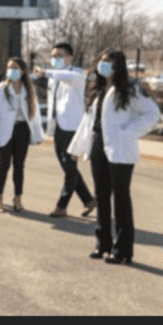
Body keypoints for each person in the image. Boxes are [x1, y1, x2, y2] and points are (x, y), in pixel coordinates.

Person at [68, 49, 160, 264]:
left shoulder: (130, 89)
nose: (103, 65)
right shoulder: (98, 89)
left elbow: (152, 112)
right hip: (98, 144)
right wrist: (76, 148)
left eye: (108, 61)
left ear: (118, 65)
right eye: (101, 61)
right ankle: (102, 245)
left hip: (120, 146)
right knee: (101, 196)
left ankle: (123, 250)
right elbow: (87, 123)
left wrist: (128, 132)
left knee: (121, 198)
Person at [32, 42, 97, 217]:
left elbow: (64, 75)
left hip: (72, 127)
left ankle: (62, 205)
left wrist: (45, 72)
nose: (55, 59)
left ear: (69, 57)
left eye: (59, 56)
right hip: (59, 126)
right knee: (68, 166)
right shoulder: (55, 77)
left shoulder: (76, 74)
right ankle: (88, 200)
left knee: (69, 167)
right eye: (53, 56)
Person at [0, 57, 44, 213]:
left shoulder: (29, 89)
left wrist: (38, 134)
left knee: (19, 166)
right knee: (3, 164)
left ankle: (17, 198)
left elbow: (35, 113)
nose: (11, 71)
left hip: (22, 130)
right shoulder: (1, 88)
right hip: (5, 130)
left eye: (14, 68)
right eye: (9, 68)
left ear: (22, 71)